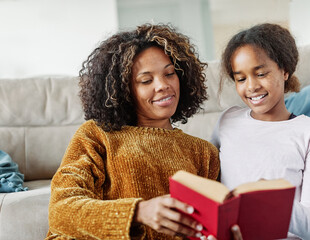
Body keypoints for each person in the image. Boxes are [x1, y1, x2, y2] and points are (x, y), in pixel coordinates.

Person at [45, 23, 223, 240]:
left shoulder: (203, 152)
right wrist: (139, 212)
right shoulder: (96, 135)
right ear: (123, 90)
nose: (163, 85)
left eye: (169, 74)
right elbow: (61, 211)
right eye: (146, 80)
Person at [211, 23, 310, 240]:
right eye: (241, 79)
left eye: (260, 74)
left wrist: (274, 201)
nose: (251, 86)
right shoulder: (227, 120)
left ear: (284, 70)